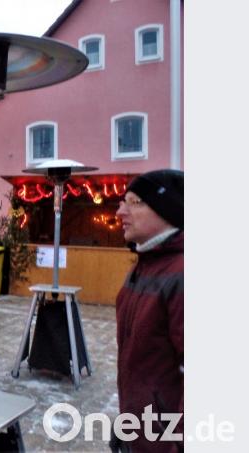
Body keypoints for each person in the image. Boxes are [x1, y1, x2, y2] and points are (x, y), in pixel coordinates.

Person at [113, 169, 183, 452]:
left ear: (169, 211)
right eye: (122, 201)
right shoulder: (143, 265)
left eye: (135, 202)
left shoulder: (185, 275)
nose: (120, 212)